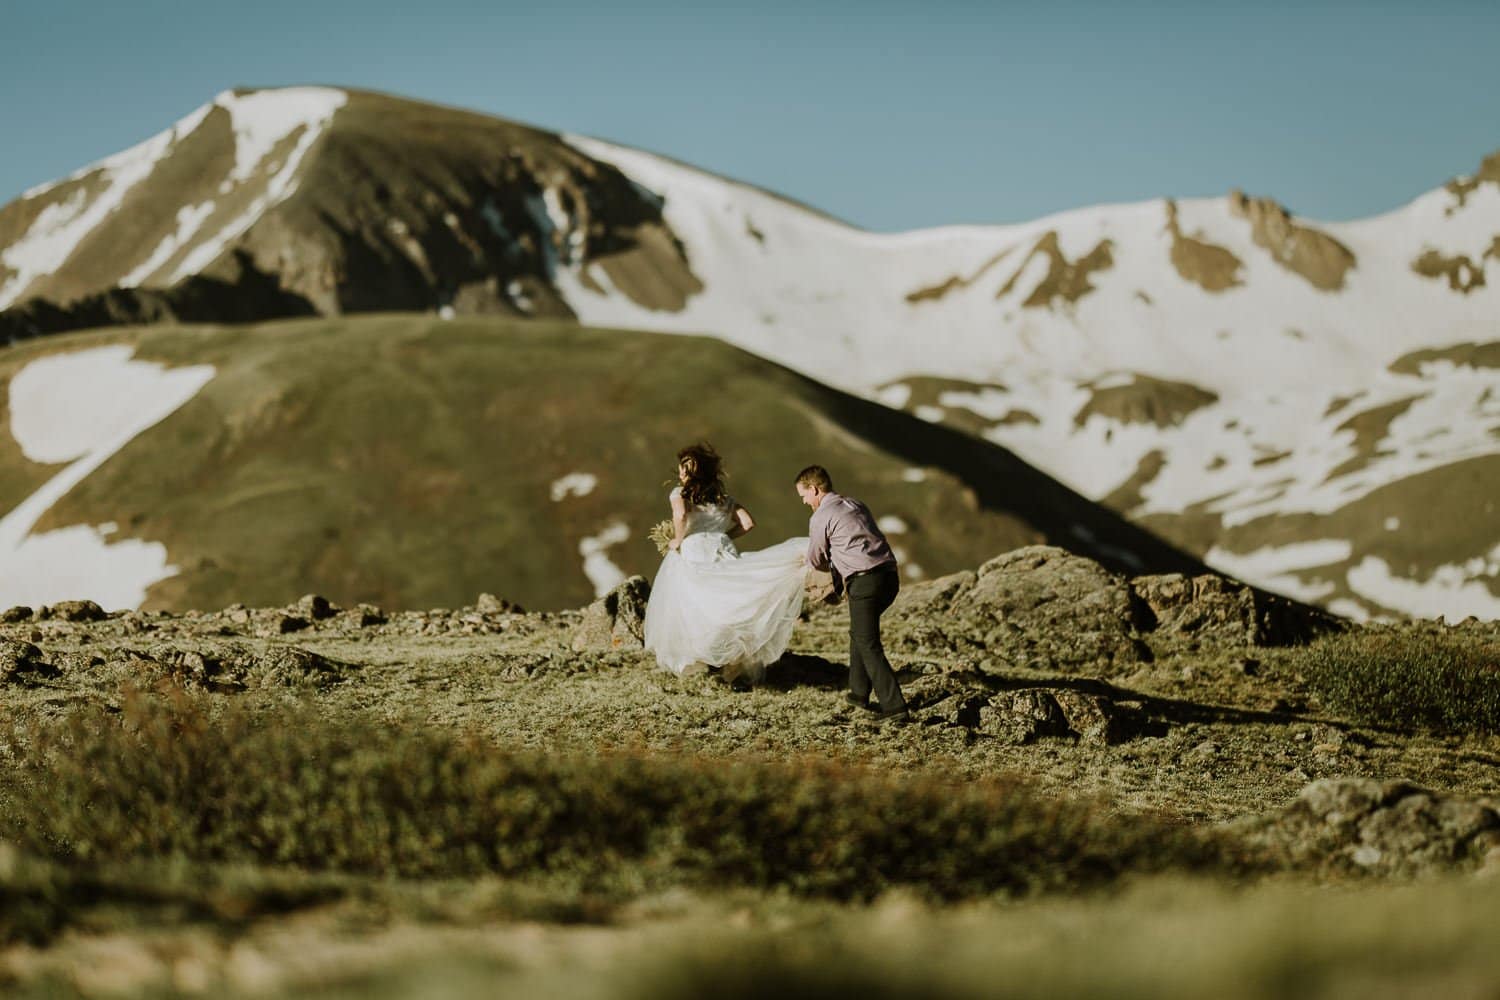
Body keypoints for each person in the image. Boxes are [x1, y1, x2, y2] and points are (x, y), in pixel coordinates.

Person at [643, 443, 808, 684]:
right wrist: (725, 536)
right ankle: (730, 661)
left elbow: (680, 516)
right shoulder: (724, 498)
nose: (680, 474)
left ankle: (703, 660)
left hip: (695, 549)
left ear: (691, 472)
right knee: (729, 600)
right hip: (722, 548)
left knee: (695, 604)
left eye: (684, 469)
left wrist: (677, 540)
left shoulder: (680, 494)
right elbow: (748, 523)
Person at [796, 465, 909, 724]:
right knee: (860, 634)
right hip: (889, 577)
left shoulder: (821, 515)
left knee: (868, 643)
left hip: (864, 581)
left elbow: (815, 558)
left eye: (803, 494)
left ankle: (895, 708)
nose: (803, 501)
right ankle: (858, 694)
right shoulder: (855, 504)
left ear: (814, 489)